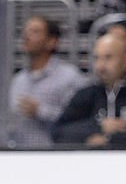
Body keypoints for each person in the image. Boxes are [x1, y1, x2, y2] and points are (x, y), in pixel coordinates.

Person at [53, 32, 126, 147]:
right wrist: (97, 127)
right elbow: (58, 133)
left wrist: (112, 139)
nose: (101, 66)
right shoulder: (86, 95)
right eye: (97, 58)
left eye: (108, 57)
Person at [6, 16, 88, 149]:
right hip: (21, 157)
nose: (27, 36)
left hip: (56, 157)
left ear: (52, 41)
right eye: (26, 31)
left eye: (35, 31)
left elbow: (80, 121)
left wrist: (40, 111)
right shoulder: (18, 80)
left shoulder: (70, 77)